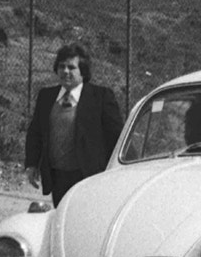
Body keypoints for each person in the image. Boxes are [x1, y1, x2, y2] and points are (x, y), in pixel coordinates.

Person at [24, 44, 126, 206]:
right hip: (58, 176)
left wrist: (119, 172)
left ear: (83, 72)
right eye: (61, 66)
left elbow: (117, 136)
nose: (65, 71)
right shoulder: (46, 96)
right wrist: (32, 164)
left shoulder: (100, 98)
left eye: (71, 67)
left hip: (89, 176)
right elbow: (35, 132)